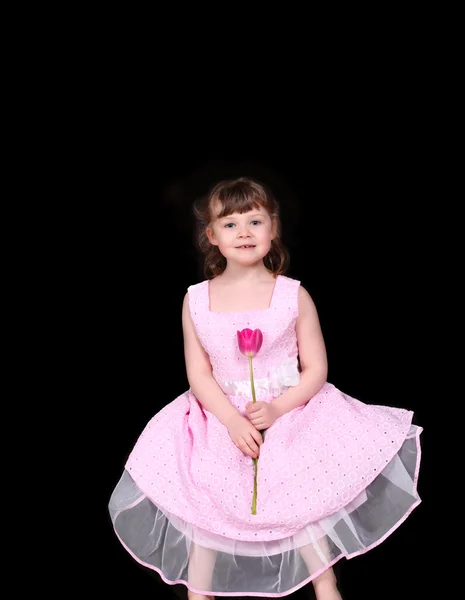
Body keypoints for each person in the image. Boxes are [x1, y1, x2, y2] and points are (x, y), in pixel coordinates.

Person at [108, 177, 422, 600]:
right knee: (205, 493)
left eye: (255, 221)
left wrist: (277, 410)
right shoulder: (196, 300)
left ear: (273, 229)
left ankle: (324, 581)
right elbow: (199, 374)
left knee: (301, 490)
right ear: (212, 236)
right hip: (220, 414)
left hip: (290, 411)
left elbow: (315, 370)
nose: (244, 233)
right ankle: (199, 590)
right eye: (231, 224)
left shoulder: (292, 295)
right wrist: (231, 420)